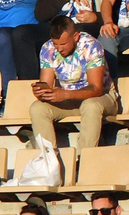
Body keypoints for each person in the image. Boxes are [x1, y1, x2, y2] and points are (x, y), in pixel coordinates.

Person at [32, 15, 119, 148]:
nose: (59, 49)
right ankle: (47, 160)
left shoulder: (91, 46)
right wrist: (41, 92)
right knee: (37, 108)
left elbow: (96, 89)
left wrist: (65, 94)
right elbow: (46, 84)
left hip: (101, 97)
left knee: (90, 106)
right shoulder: (47, 49)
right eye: (56, 44)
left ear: (76, 36)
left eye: (63, 44)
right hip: (69, 100)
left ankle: (84, 159)